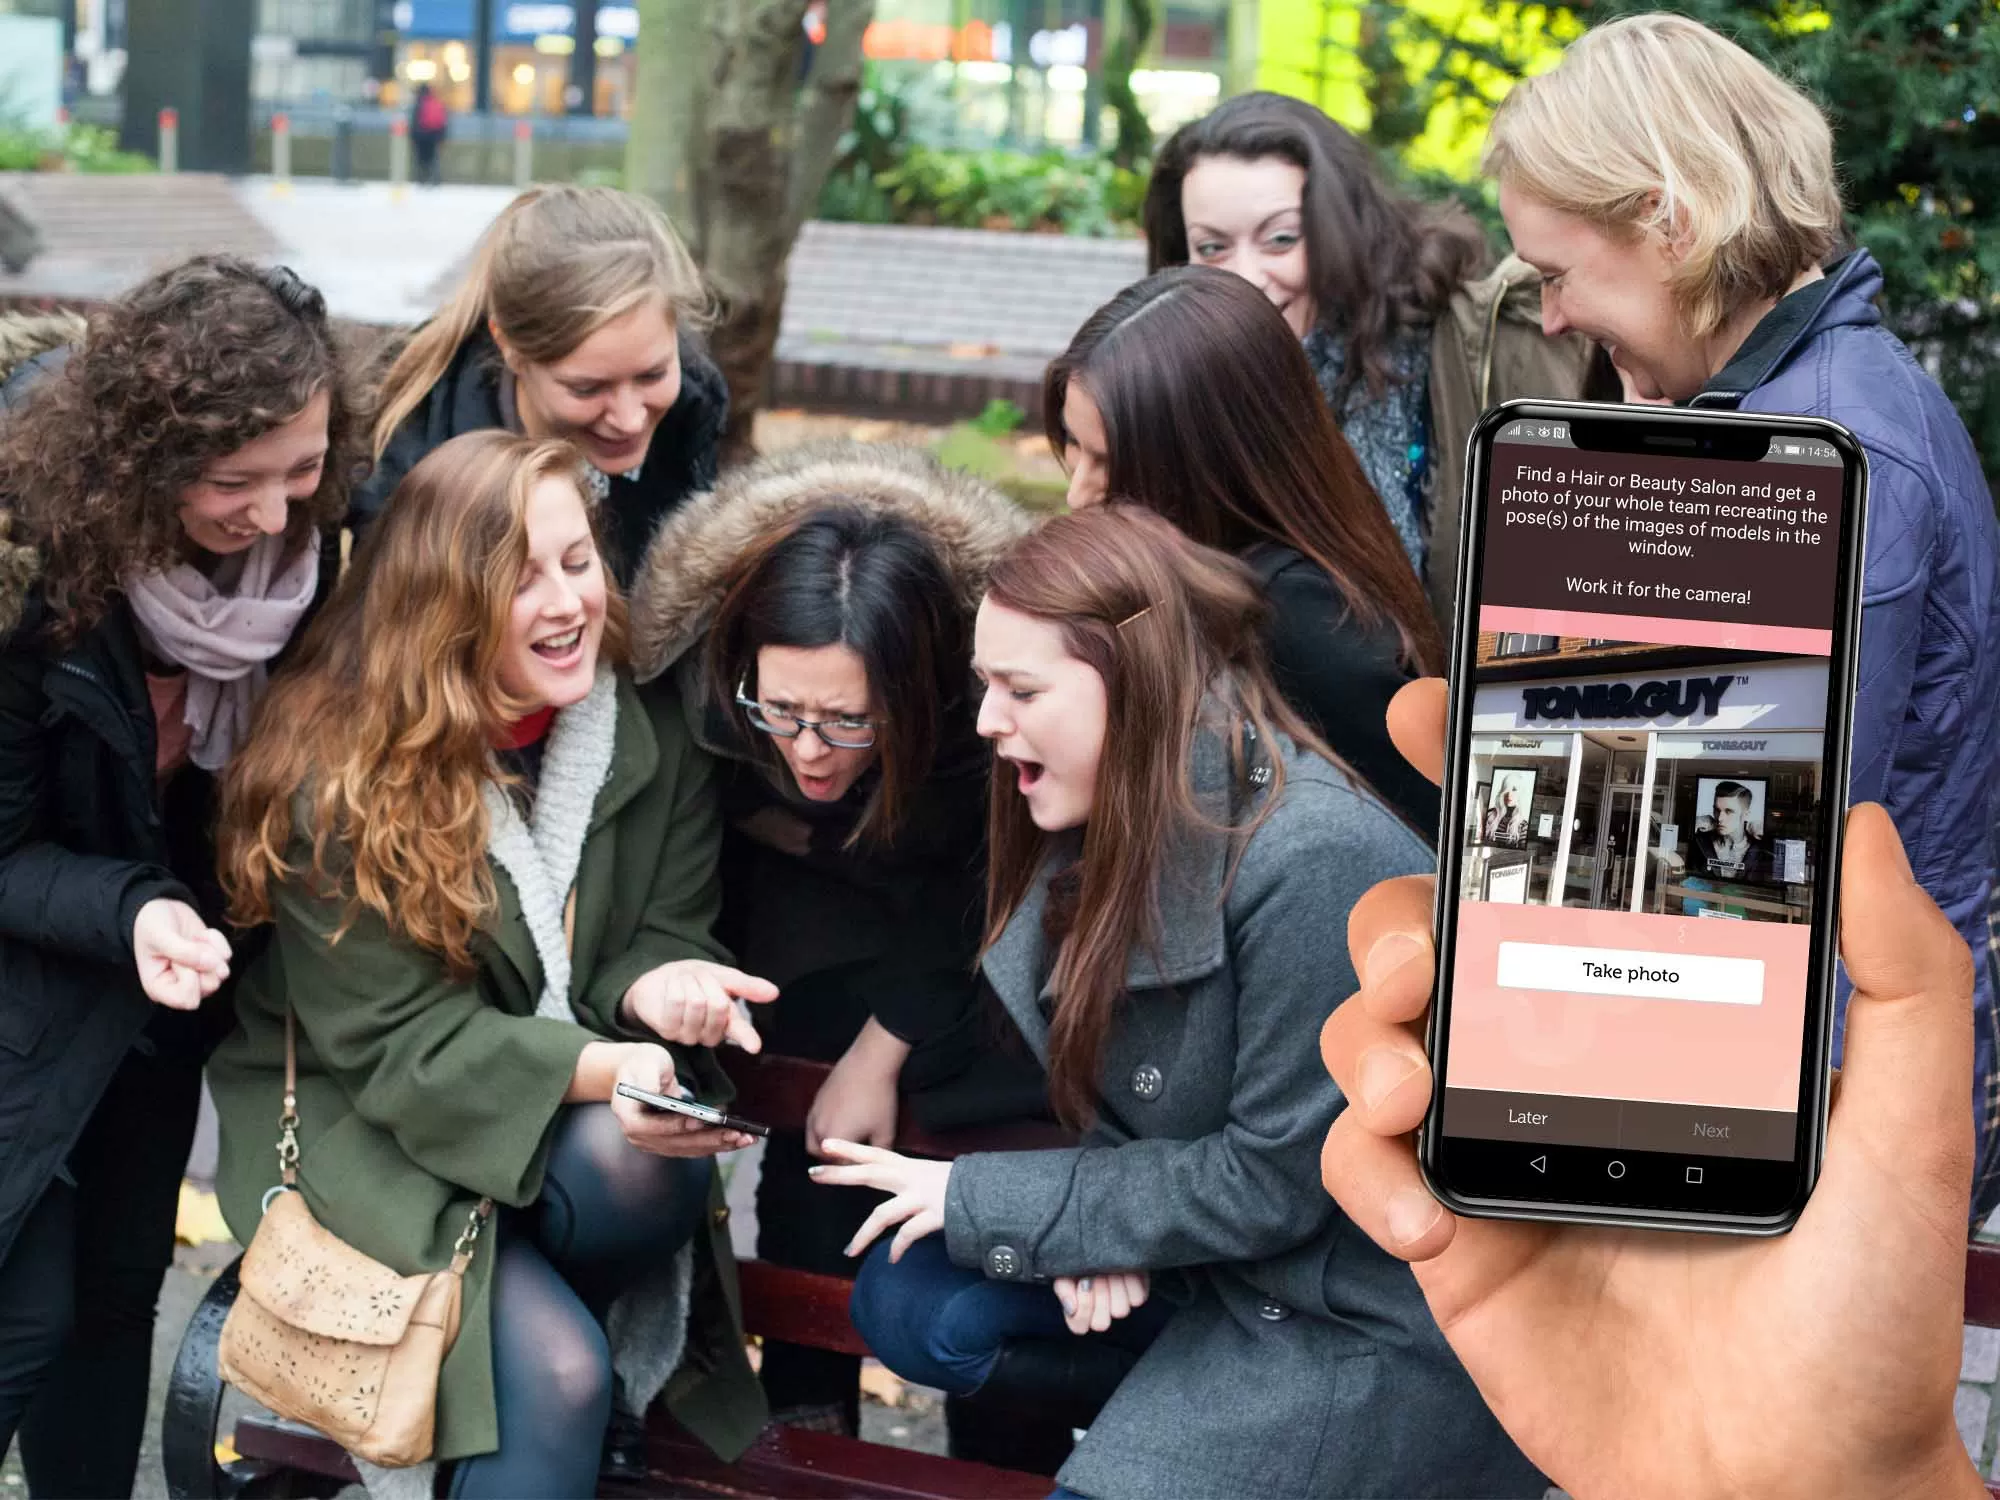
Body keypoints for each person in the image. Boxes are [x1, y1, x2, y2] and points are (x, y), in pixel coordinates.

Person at [819, 505, 1544, 1500]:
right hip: (1224, 1276)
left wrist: (1039, 1211)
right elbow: (1150, 1105)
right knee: (911, 1298)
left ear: (1136, 685)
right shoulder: (1095, 814)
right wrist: (1087, 1233)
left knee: (954, 1252)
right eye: (986, 686)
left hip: (1345, 1322)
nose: (986, 722)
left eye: (1019, 689)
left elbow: (1275, 1182)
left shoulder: (1314, 860)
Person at [1482, 12, 2000, 1215]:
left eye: (1558, 275)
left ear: (1668, 223)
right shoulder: (1810, 411)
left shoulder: (1815, 460)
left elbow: (1739, 892)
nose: (1550, 318)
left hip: (1814, 1118)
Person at [210, 431, 773, 1496]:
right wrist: (612, 1068)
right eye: (520, 579)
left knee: (647, 1165)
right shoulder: (339, 774)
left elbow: (659, 928)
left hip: (542, 1106)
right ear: (443, 603)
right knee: (556, 1376)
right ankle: (525, 1340)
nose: (567, 602)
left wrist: (665, 986)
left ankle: (521, 1306)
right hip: (364, 1118)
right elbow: (394, 1045)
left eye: (576, 562)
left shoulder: (640, 726)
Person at [1321, 675, 1987, 1500]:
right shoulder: (1671, 845)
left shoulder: (1756, 859)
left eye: (1740, 810)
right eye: (1728, 810)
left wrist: (1858, 1480)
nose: (1732, 818)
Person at [0, 258, 358, 1498]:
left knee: (115, 1296)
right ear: (140, 462)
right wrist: (131, 905)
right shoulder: (31, 573)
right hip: (30, 983)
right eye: (231, 481)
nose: (272, 515)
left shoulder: (315, 572)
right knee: (25, 1318)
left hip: (163, 992)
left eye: (301, 470)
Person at [626, 440, 1042, 1441]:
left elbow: (989, 877)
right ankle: (805, 1414)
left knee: (958, 1101)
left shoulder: (983, 703)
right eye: (784, 714)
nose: (809, 749)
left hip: (963, 925)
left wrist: (884, 1042)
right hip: (778, 917)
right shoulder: (696, 688)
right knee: (806, 1137)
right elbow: (668, 870)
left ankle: (1002, 1441)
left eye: (848, 722)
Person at [1143, 90, 1604, 634]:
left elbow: (1585, 579)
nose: (1246, 276)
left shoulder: (1482, 345)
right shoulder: (1182, 395)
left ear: (1339, 224)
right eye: (1213, 248)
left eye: (1281, 239)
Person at [1049, 265, 1445, 836]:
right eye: (1072, 446)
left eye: (1109, 462)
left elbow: (1426, 845)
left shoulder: (1300, 624)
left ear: (1209, 462)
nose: (1077, 492)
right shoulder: (1192, 576)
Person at [357, 184, 726, 586]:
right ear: (509, 348)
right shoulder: (417, 458)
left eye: (653, 376)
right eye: (587, 389)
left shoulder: (691, 410)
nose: (630, 419)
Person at [410, 82, 448, 187]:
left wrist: (413, 137)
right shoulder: (436, 102)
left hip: (421, 136)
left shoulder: (419, 103)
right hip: (435, 135)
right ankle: (435, 179)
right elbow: (443, 122)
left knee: (422, 159)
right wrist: (442, 137)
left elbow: (415, 122)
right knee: (434, 159)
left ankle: (422, 180)